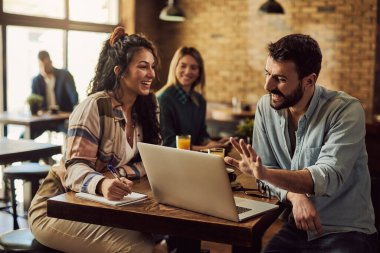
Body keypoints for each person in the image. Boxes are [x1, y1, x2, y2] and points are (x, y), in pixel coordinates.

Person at [225, 34, 378, 252]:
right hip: (297, 228)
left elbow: (327, 176)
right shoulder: (265, 108)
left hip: (346, 230)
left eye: (281, 79)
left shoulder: (346, 110)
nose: (268, 85)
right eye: (267, 73)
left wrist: (265, 174)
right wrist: (295, 196)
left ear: (309, 80)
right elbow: (266, 169)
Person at [28, 26, 164, 253]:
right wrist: (102, 183)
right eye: (143, 66)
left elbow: (153, 162)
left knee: (160, 241)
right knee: (139, 249)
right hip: (56, 208)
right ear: (120, 71)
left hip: (102, 208)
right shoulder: (95, 105)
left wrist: (117, 175)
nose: (151, 73)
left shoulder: (148, 107)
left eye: (152, 66)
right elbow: (74, 168)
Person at [157, 46, 228, 151]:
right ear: (175, 67)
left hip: (194, 159)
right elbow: (168, 142)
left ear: (199, 72)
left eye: (194, 67)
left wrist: (214, 144)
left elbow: (201, 135)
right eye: (183, 66)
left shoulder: (200, 101)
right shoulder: (162, 99)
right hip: (172, 160)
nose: (187, 71)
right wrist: (205, 148)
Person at [30, 50, 79, 138]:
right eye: (41, 66)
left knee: (75, 133)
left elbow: (74, 97)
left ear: (51, 62)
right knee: (26, 134)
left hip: (62, 119)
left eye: (46, 65)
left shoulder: (65, 75)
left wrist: (73, 112)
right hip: (44, 120)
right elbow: (34, 104)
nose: (44, 69)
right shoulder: (36, 80)